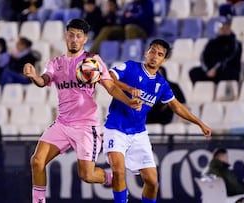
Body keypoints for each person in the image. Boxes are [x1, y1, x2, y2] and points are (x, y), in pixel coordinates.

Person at [22, 18, 142, 203]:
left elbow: (110, 87)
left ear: (84, 39)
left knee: (86, 175)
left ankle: (111, 178)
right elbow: (43, 80)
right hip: (62, 124)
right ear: (65, 36)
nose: (74, 39)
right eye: (71, 35)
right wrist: (33, 76)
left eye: (78, 36)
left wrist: (129, 101)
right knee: (37, 161)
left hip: (86, 127)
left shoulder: (92, 62)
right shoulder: (56, 63)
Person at [102, 39, 212, 203]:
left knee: (152, 182)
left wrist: (200, 123)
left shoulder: (161, 84)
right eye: (152, 51)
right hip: (116, 128)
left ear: (164, 60)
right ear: (146, 52)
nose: (154, 56)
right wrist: (128, 89)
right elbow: (107, 77)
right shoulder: (131, 67)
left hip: (139, 134)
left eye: (160, 54)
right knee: (118, 171)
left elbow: (177, 107)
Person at [89, 0, 155, 54]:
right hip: (125, 28)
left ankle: (131, 54)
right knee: (107, 29)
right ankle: (91, 53)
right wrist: (130, 17)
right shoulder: (130, 5)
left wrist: (131, 17)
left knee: (130, 28)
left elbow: (143, 18)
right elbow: (122, 18)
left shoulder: (148, 3)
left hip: (142, 30)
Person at [189, 18, 242, 84]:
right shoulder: (212, 42)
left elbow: (229, 58)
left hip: (225, 70)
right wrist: (208, 69)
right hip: (211, 71)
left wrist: (215, 68)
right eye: (222, 27)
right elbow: (203, 57)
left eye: (226, 27)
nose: (223, 29)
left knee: (227, 71)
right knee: (194, 72)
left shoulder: (235, 43)